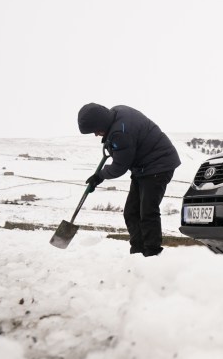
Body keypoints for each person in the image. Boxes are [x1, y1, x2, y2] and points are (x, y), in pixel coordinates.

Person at [77, 103, 182, 256]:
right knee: (131, 212)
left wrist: (99, 176)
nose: (95, 134)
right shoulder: (117, 114)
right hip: (143, 168)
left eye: (95, 130)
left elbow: (120, 166)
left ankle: (152, 252)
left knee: (147, 211)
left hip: (159, 165)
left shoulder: (120, 132)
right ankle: (138, 251)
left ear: (102, 123)